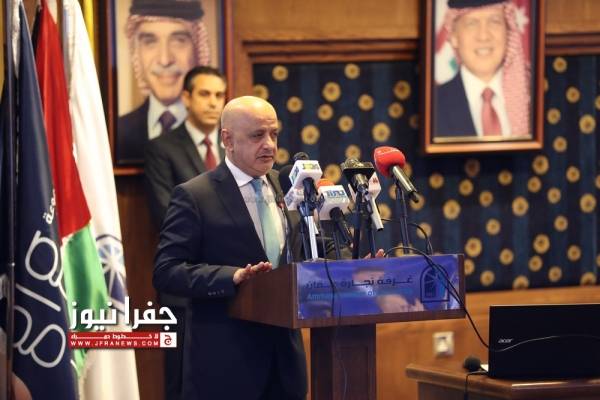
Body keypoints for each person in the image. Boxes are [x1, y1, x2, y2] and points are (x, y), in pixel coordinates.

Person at [153, 96, 308, 400]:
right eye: (257, 135)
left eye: (274, 134)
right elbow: (166, 271)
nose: (269, 145)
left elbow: (307, 246)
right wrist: (231, 276)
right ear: (228, 140)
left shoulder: (287, 186)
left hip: (285, 364)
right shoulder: (195, 195)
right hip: (226, 365)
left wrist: (354, 262)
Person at [144, 65, 226, 400]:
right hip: (184, 289)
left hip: (234, 286)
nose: (213, 102)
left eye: (219, 95)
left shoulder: (234, 148)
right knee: (182, 383)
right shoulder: (162, 148)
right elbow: (166, 217)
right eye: (205, 94)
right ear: (187, 98)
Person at [117, 0, 211, 163]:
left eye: (179, 41)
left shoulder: (220, 131)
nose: (165, 60)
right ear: (136, 52)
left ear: (197, 49)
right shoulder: (120, 130)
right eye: (150, 42)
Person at [434, 0, 530, 139]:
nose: (484, 36)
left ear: (508, 31)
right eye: (472, 24)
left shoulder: (533, 100)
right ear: (454, 36)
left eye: (494, 21)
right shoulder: (432, 106)